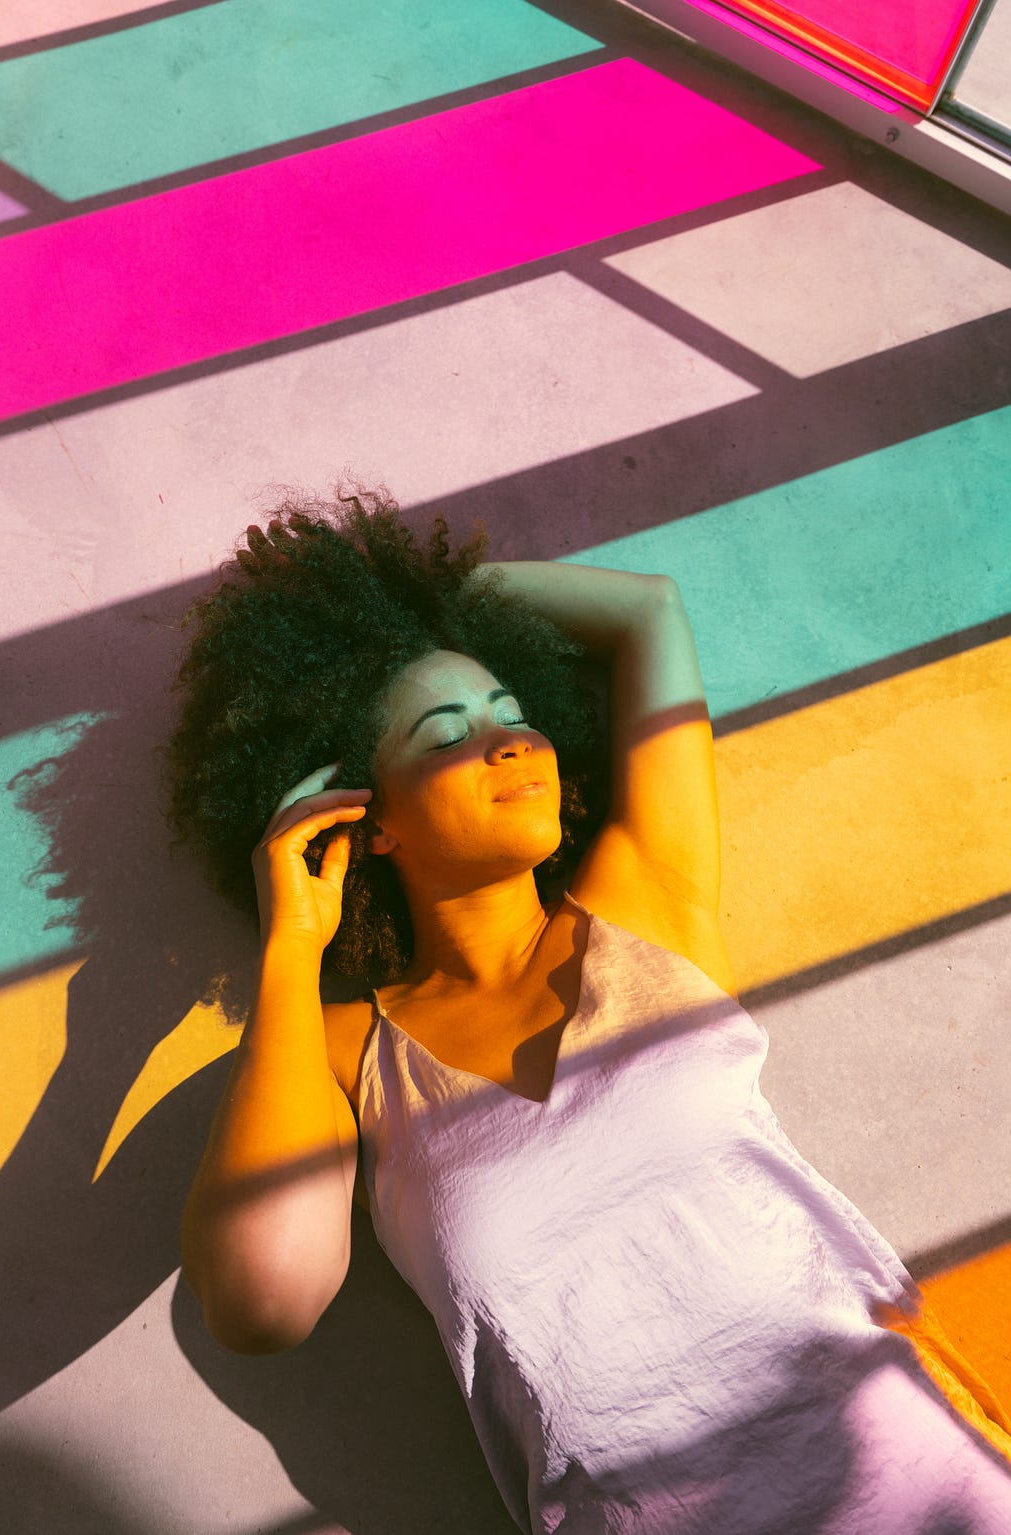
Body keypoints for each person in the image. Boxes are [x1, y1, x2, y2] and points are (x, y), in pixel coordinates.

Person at [167, 483, 1011, 1534]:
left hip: (922, 1487)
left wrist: (418, 602)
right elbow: (261, 1301)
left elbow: (646, 612)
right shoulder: (346, 1051)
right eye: (446, 734)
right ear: (365, 818)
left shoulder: (640, 905)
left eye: (513, 716)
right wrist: (291, 943)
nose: (507, 742)